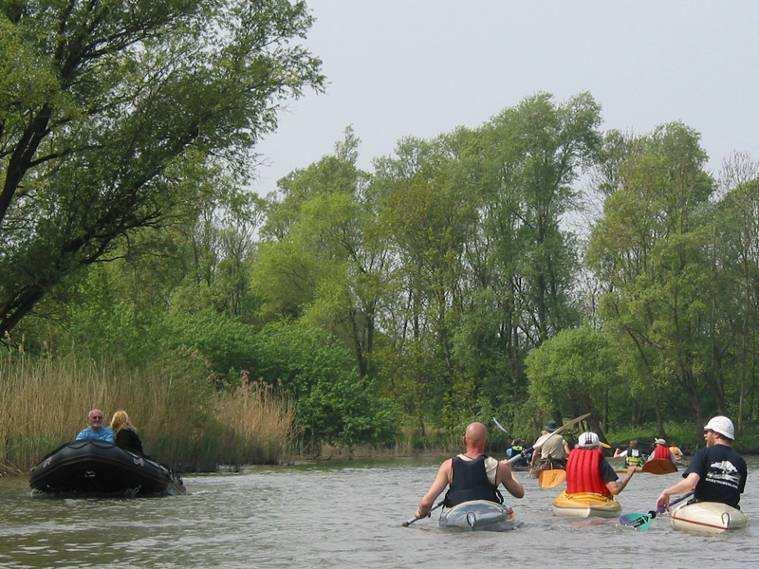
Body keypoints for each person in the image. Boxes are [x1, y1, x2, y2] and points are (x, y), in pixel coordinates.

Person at [415, 422, 524, 519]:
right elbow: (519, 493)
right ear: (485, 441)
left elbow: (426, 503)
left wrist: (421, 513)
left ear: (464, 440)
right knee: (509, 513)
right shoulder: (499, 467)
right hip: (487, 516)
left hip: (456, 516)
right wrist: (510, 471)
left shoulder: (448, 466)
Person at [656, 416, 747, 510]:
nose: (705, 435)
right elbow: (732, 490)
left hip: (704, 509)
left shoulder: (703, 453)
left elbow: (690, 484)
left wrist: (666, 492)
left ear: (716, 434)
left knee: (672, 514)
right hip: (730, 512)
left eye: (707, 432)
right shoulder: (741, 461)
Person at [566, 431, 635, 496]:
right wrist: (628, 475)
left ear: (578, 446)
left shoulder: (570, 460)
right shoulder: (601, 462)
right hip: (597, 500)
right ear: (597, 446)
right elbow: (615, 490)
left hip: (574, 500)